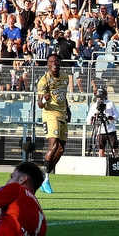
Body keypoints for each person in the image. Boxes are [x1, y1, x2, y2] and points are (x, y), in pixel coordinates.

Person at [36, 54, 71, 194]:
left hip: (62, 114)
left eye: (56, 61)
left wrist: (68, 109)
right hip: (50, 113)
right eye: (51, 61)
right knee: (54, 144)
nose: (54, 63)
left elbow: (64, 97)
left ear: (59, 62)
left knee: (61, 148)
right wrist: (44, 100)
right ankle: (45, 178)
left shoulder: (65, 78)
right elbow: (39, 104)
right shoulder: (44, 81)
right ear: (48, 64)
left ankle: (44, 174)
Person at [86, 86, 119, 157]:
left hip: (110, 129)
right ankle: (101, 162)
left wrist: (112, 118)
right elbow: (89, 117)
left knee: (114, 147)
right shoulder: (94, 106)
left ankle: (116, 161)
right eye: (98, 97)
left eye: (101, 97)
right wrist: (90, 120)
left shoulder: (110, 103)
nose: (100, 99)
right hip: (100, 130)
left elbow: (117, 113)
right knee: (101, 149)